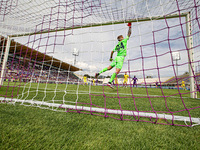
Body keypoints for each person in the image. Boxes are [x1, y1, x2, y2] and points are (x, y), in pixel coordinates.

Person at [95, 23, 132, 89]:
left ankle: (98, 73)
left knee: (109, 68)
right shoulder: (124, 41)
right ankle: (109, 82)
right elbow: (129, 34)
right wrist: (130, 27)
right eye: (123, 37)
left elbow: (112, 51)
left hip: (116, 58)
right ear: (121, 38)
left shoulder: (117, 45)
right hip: (120, 58)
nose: (123, 37)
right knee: (117, 71)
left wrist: (111, 58)